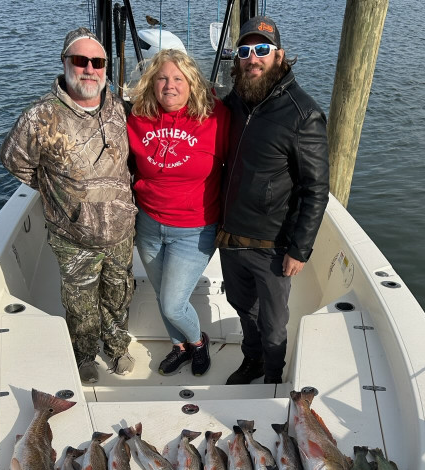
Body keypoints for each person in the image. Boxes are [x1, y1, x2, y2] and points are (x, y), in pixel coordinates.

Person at [0, 27, 137, 384]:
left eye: (97, 62)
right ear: (64, 64)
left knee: (119, 294)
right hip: (72, 236)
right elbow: (14, 161)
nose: (89, 69)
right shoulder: (40, 117)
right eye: (80, 61)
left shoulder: (122, 108)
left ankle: (118, 347)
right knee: (80, 302)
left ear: (106, 67)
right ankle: (85, 355)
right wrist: (55, 194)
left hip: (121, 231)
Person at [217, 16, 329, 385]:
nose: (253, 58)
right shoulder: (233, 102)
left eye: (262, 50)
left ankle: (273, 377)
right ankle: (252, 361)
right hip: (230, 236)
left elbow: (315, 189)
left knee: (273, 321)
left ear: (279, 56)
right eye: (245, 51)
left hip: (273, 245)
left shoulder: (304, 114)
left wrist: (299, 249)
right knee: (242, 307)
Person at [127, 49, 229, 377]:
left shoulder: (217, 117)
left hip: (195, 227)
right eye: (162, 78)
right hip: (149, 223)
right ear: (151, 84)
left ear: (191, 83)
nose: (169, 85)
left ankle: (198, 342)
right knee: (161, 293)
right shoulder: (137, 117)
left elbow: (246, 157)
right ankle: (179, 346)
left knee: (173, 302)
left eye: (177, 79)